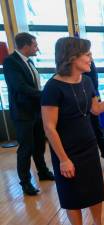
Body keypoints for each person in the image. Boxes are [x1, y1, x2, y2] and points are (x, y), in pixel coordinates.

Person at [41, 37, 104, 225]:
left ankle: (97, 223)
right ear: (71, 58)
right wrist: (63, 160)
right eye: (87, 55)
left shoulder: (86, 81)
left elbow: (96, 109)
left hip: (89, 146)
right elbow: (49, 127)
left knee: (95, 192)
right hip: (67, 151)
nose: (91, 59)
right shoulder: (53, 87)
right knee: (72, 195)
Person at [3, 32, 54, 196]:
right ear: (25, 46)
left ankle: (43, 172)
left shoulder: (29, 61)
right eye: (35, 45)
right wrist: (44, 94)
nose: (37, 48)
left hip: (36, 111)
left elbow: (33, 85)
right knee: (25, 148)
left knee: (39, 145)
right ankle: (25, 182)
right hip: (22, 113)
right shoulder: (10, 62)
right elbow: (20, 87)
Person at [83, 61, 104, 170]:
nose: (89, 57)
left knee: (98, 133)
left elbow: (94, 84)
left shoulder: (89, 64)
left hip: (92, 101)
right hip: (79, 108)